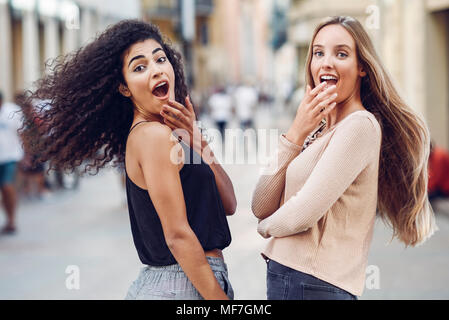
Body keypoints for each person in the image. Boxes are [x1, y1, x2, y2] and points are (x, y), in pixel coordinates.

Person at [20, 20, 236, 300]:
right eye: (139, 67)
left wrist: (198, 141)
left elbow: (229, 204)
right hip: (184, 283)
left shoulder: (170, 135)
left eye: (160, 59)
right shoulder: (152, 137)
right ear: (124, 88)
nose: (156, 69)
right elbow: (178, 235)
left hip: (188, 281)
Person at [251, 16, 437, 300]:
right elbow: (260, 204)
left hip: (313, 284)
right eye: (318, 52)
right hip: (295, 279)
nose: (326, 62)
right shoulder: (321, 131)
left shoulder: (359, 126)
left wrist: (265, 230)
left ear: (362, 67)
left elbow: (303, 212)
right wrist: (295, 134)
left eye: (341, 53)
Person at [0, 91, 24, 235]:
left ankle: (12, 220)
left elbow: (22, 132)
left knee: (7, 187)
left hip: (10, 157)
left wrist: (27, 154)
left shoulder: (12, 111)